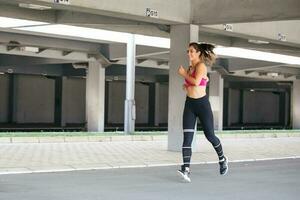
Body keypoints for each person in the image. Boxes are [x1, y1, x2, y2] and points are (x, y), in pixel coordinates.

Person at [177, 42, 228, 182]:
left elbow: (195, 80)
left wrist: (184, 74)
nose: (189, 53)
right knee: (187, 138)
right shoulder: (191, 67)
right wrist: (185, 85)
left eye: (192, 51)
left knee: (210, 135)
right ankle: (186, 169)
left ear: (198, 53)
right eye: (188, 51)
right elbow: (192, 83)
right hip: (190, 104)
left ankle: (222, 159)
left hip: (202, 105)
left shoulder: (201, 66)